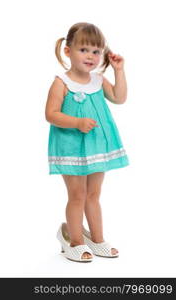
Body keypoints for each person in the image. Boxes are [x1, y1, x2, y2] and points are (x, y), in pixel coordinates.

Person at [45, 22, 130, 263]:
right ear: (68, 51)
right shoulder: (61, 82)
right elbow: (51, 114)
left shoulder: (99, 80)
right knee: (77, 194)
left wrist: (119, 71)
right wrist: (77, 122)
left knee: (94, 194)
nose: (91, 56)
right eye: (84, 50)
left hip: (96, 147)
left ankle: (98, 238)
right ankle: (74, 240)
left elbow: (119, 97)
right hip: (70, 147)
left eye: (95, 51)